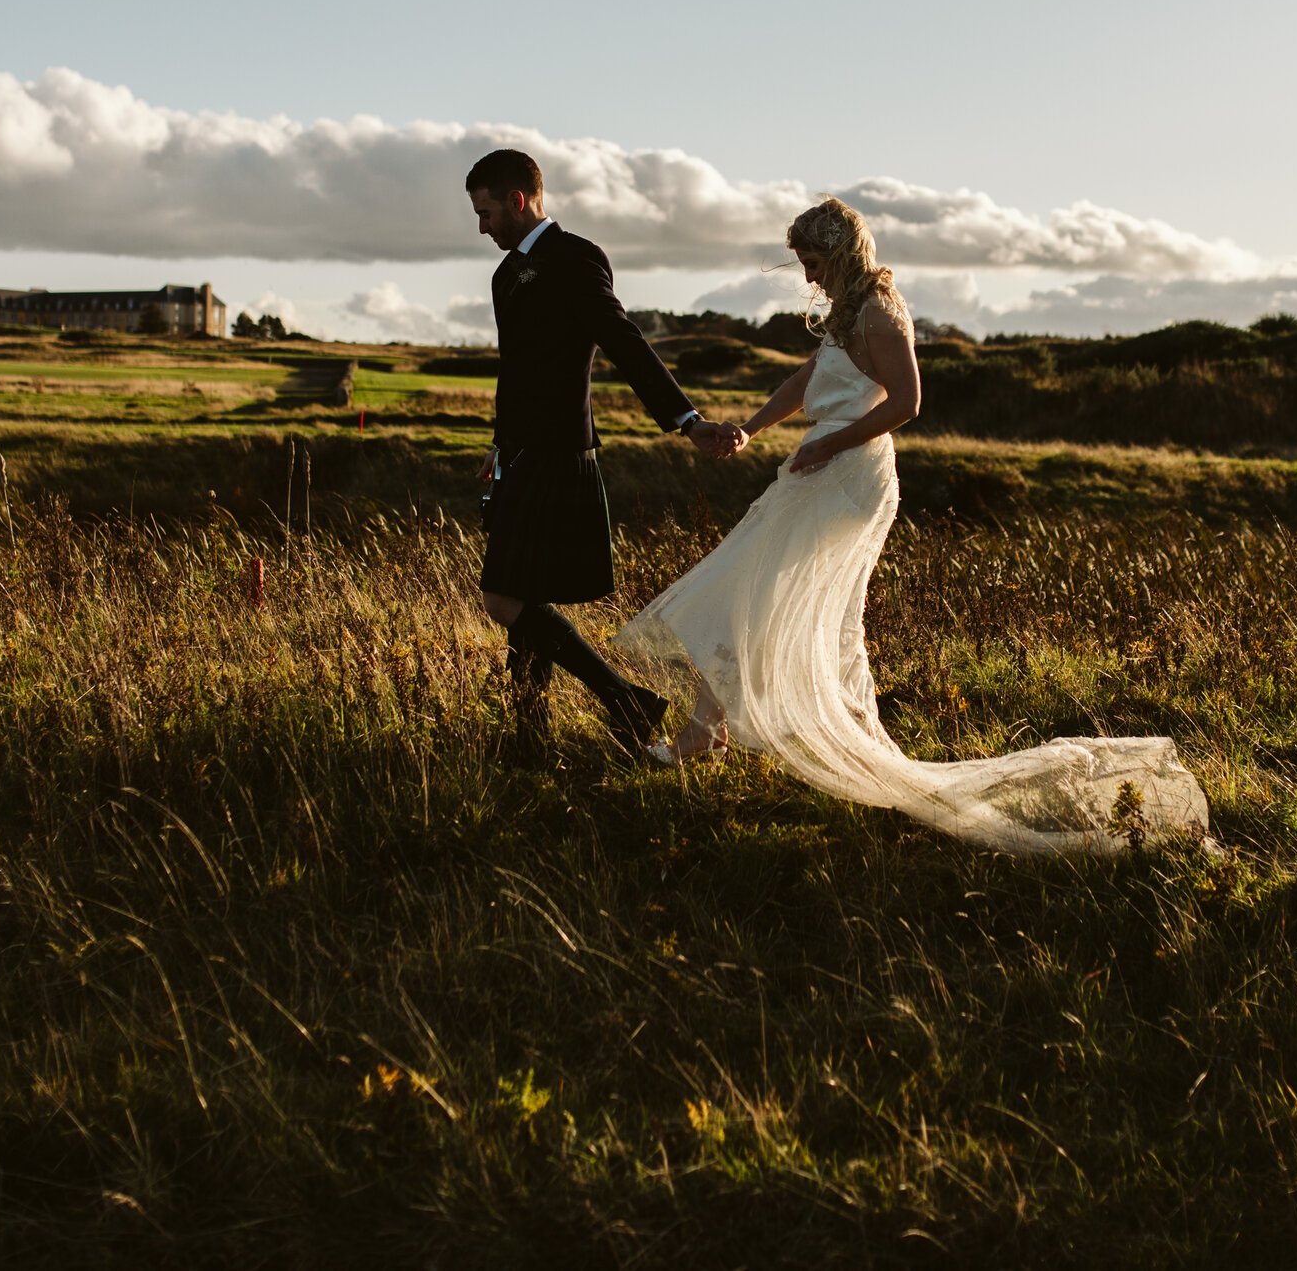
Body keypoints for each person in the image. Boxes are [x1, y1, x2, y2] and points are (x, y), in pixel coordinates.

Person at [617, 198, 1209, 854]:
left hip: (849, 475)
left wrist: (832, 444)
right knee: (752, 588)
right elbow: (807, 378)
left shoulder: (878, 309)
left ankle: (712, 729)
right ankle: (711, 725)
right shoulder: (846, 312)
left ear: (838, 252)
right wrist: (751, 429)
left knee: (755, 587)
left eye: (813, 262)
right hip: (820, 465)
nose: (809, 277)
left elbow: (908, 401)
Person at [466, 147, 746, 755]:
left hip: (559, 453)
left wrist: (686, 420)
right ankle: (531, 736)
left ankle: (625, 699)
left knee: (503, 597)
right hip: (519, 453)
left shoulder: (576, 258)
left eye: (486, 212)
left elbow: (624, 341)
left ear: (519, 200)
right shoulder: (504, 275)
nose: (481, 226)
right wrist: (498, 444)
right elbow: (514, 372)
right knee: (525, 592)